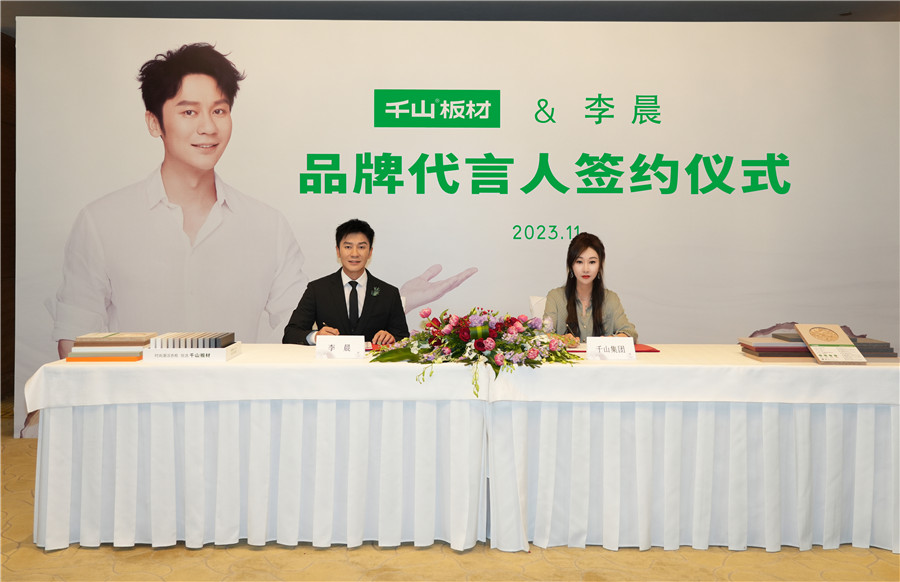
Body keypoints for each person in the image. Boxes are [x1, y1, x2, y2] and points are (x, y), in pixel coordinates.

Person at [51, 43, 308, 359]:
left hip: (235, 390)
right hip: (137, 391)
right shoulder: (101, 221)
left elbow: (302, 328)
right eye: (189, 112)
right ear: (154, 122)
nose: (208, 127)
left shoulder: (269, 226)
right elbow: (74, 339)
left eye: (219, 111)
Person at [283, 219, 408, 345]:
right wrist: (316, 336)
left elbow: (403, 338)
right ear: (338, 251)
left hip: (371, 358)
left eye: (361, 247)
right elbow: (291, 333)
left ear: (370, 252)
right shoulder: (317, 289)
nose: (354, 254)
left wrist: (391, 338)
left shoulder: (389, 293)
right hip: (331, 358)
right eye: (348, 247)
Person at [542, 232, 638, 343]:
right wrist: (562, 339)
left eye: (592, 262)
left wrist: (610, 340)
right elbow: (543, 335)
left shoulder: (610, 298)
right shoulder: (555, 297)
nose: (586, 269)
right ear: (571, 265)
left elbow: (630, 333)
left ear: (600, 265)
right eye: (579, 262)